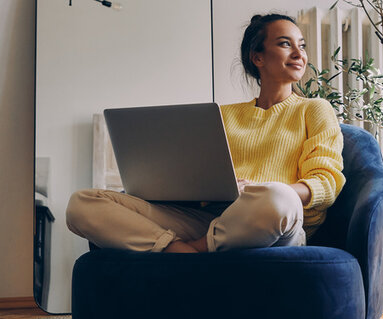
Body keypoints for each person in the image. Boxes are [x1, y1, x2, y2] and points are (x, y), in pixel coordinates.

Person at [66, 13, 345, 253]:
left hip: (272, 221)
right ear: (257, 57)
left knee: (278, 197)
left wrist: (259, 189)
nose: (299, 54)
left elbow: (326, 182)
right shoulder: (222, 114)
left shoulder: (314, 109)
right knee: (82, 203)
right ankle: (178, 249)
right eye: (285, 44)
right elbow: (195, 177)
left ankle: (191, 250)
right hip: (208, 218)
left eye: (302, 45)